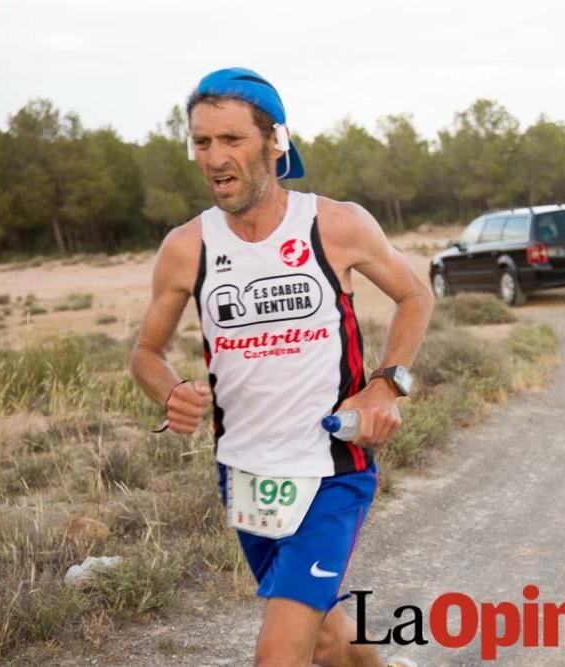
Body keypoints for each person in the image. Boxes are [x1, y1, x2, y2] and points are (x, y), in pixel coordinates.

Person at [130, 67, 432, 667]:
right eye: (202, 142)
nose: (214, 157)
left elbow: (414, 296)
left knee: (280, 650)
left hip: (332, 470)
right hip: (245, 473)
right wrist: (169, 394)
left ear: (275, 142)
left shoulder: (335, 224)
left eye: (231, 140)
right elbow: (145, 353)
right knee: (323, 635)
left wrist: (385, 385)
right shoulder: (187, 247)